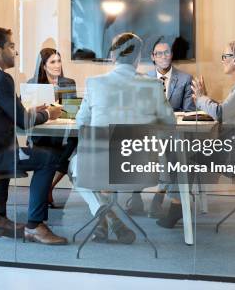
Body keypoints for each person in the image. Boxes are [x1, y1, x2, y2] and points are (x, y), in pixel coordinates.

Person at [0, 28, 68, 245]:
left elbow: (4, 113)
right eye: (11, 46)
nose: (15, 52)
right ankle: (35, 225)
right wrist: (48, 113)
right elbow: (23, 123)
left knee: (9, 144)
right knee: (49, 158)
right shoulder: (0, 78)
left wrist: (33, 111)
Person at [72, 32, 176, 243]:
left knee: (75, 167)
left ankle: (104, 213)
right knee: (86, 166)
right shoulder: (153, 86)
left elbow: (81, 125)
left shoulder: (94, 84)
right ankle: (110, 218)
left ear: (112, 57)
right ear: (139, 58)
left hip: (99, 168)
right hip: (140, 171)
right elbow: (170, 124)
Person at [126, 37, 195, 219]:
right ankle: (135, 196)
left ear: (171, 55)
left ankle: (160, 195)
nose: (163, 56)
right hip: (147, 132)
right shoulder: (142, 79)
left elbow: (188, 111)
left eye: (167, 52)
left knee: (174, 155)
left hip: (172, 132)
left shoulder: (185, 79)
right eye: (159, 53)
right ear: (153, 57)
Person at [28, 48, 77, 208]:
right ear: (44, 66)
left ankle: (48, 186)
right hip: (41, 132)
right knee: (50, 148)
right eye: (53, 62)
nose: (57, 65)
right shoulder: (32, 84)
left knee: (74, 141)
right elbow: (26, 112)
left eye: (59, 61)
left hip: (62, 131)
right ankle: (46, 188)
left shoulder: (68, 83)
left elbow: (72, 112)